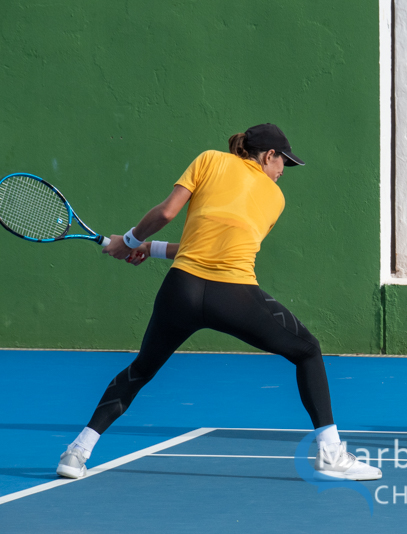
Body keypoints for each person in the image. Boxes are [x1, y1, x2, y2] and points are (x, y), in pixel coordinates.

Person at [56, 123, 380, 481]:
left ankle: (76, 452)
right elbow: (216, 243)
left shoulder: (208, 160)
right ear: (268, 156)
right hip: (235, 296)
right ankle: (331, 455)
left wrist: (136, 243)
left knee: (142, 369)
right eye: (282, 164)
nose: (282, 173)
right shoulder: (275, 200)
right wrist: (133, 243)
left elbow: (173, 219)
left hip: (180, 291)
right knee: (308, 351)